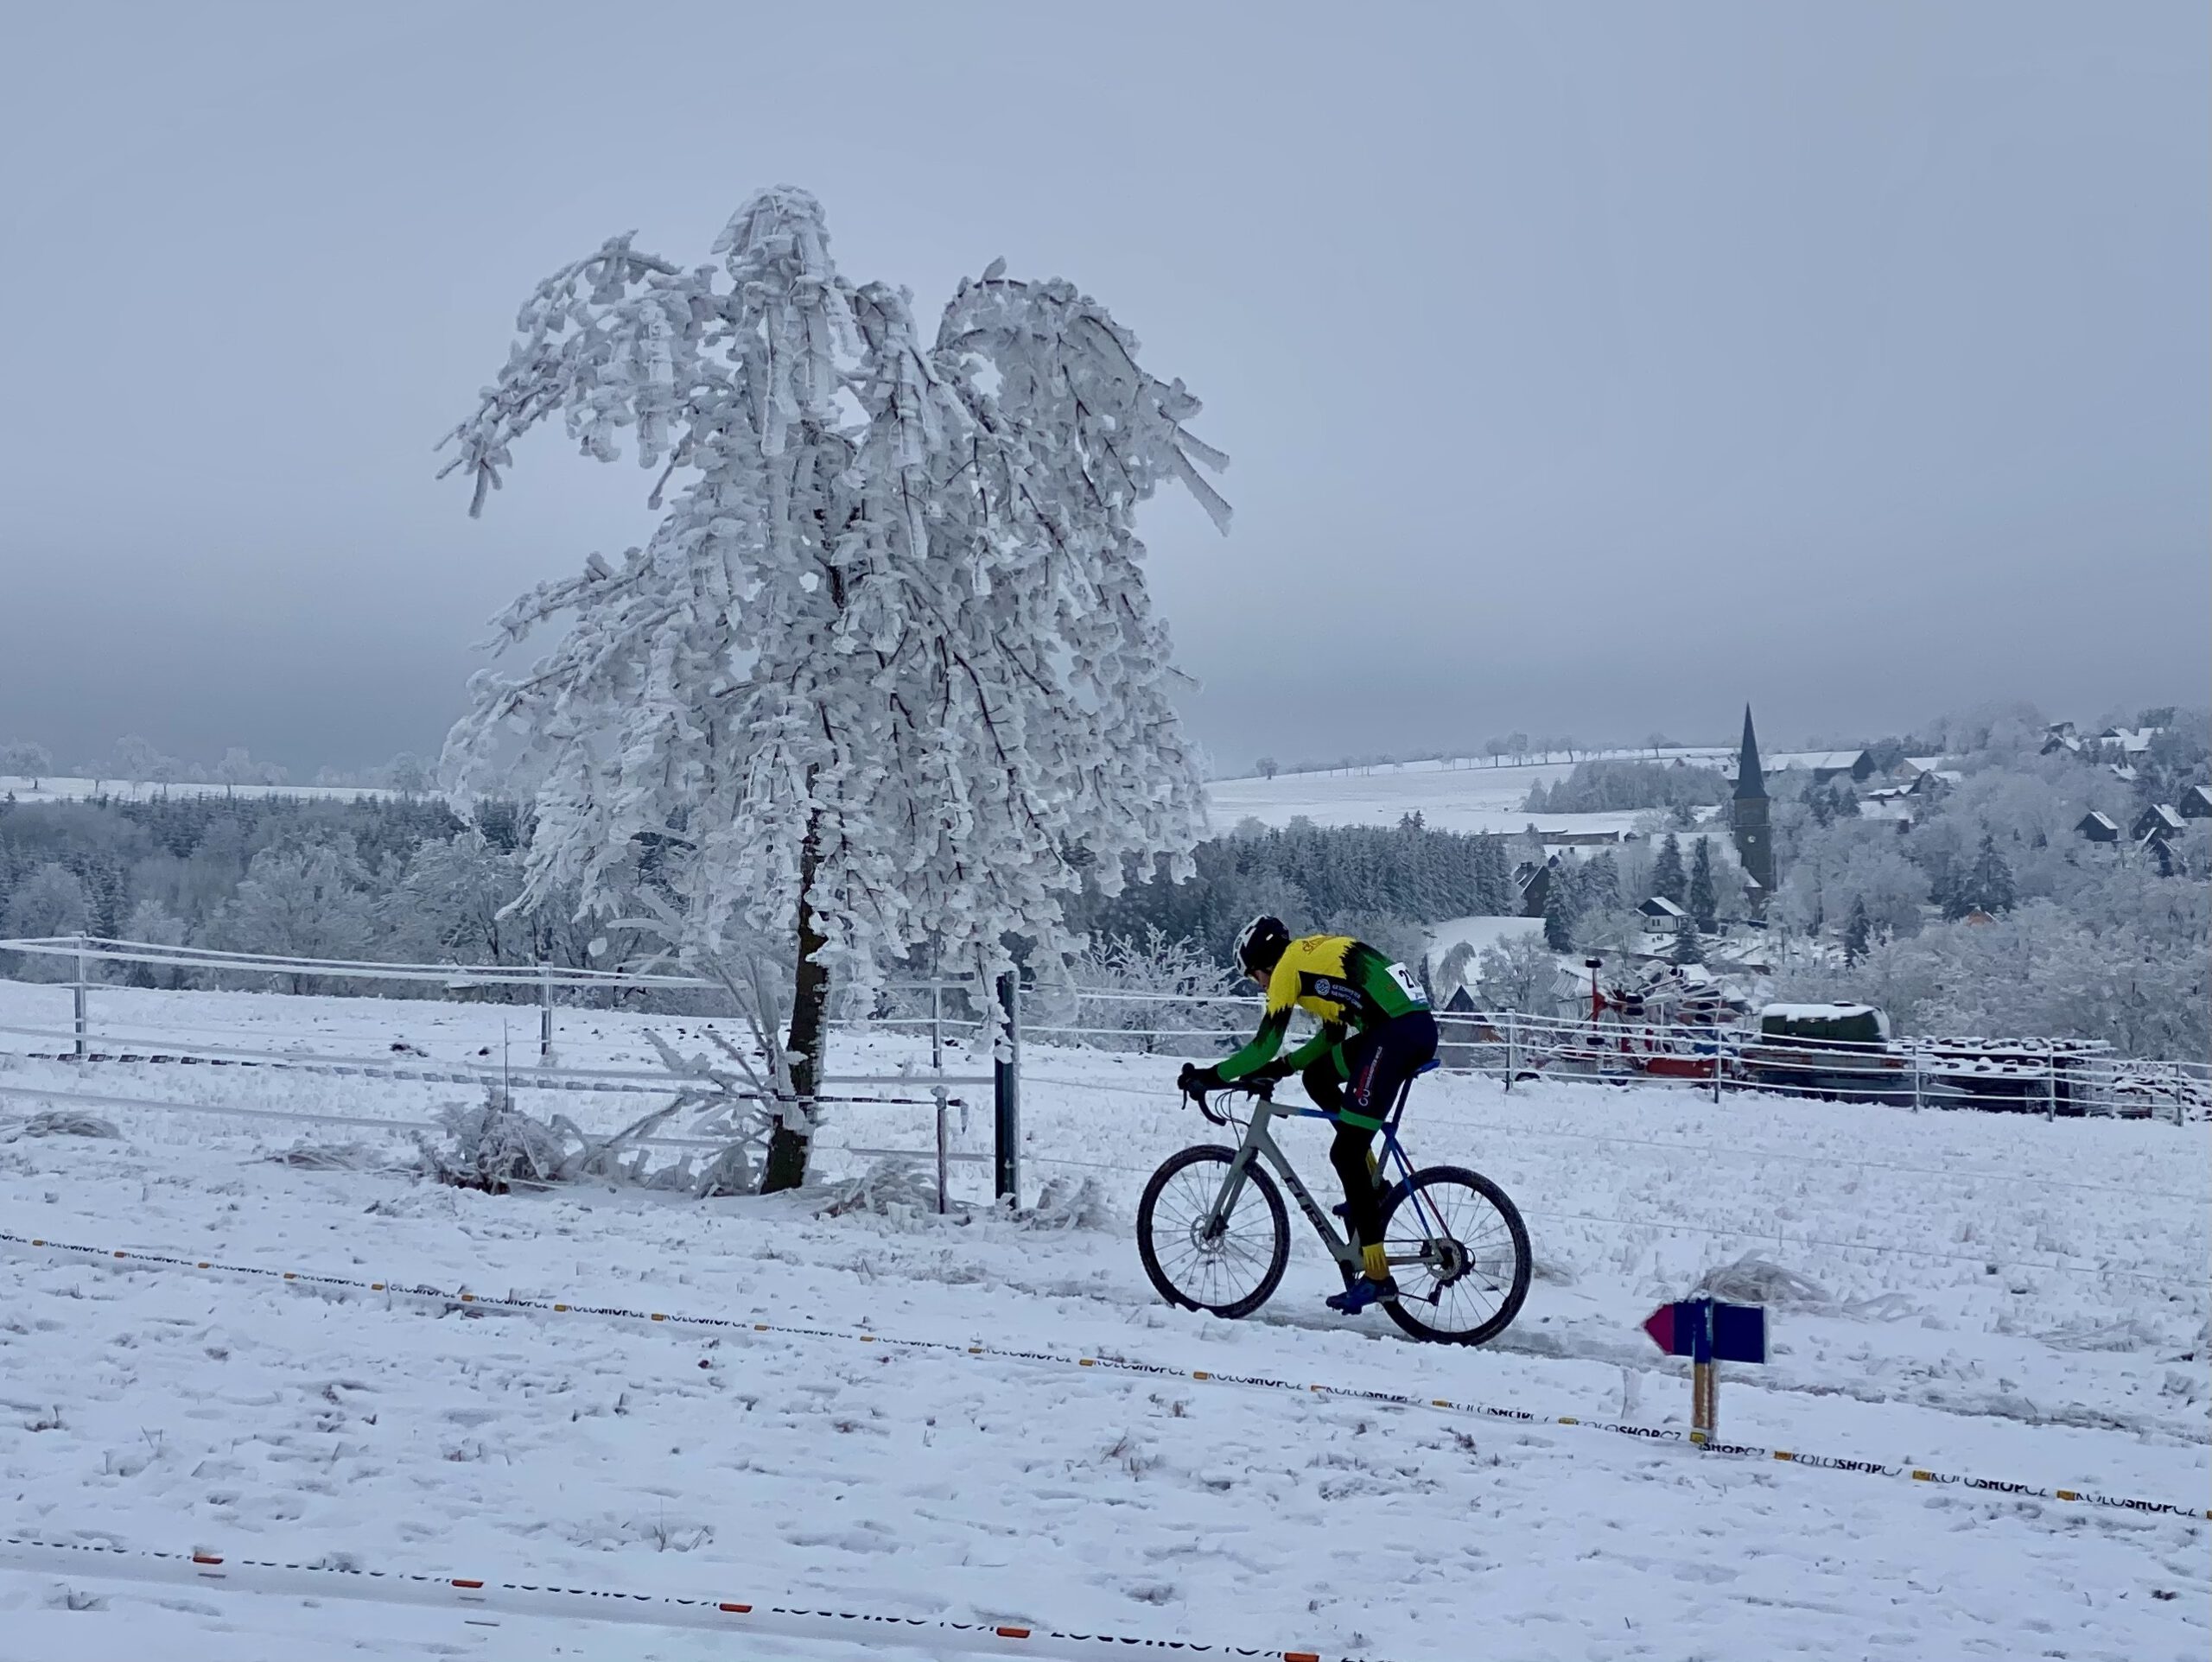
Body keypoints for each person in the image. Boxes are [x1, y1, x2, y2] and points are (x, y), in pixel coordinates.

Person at [1178, 915, 1438, 1314]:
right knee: (1318, 1077)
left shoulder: (1286, 969)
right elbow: (1331, 1038)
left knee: (1344, 1154)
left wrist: (1211, 1077)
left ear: (1263, 963)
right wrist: (1284, 1068)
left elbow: (1263, 1046)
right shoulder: (1310, 955)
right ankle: (1370, 1185)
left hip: (1395, 1035)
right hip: (1404, 1028)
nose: (1261, 986)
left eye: (1254, 978)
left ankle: (1377, 1275)